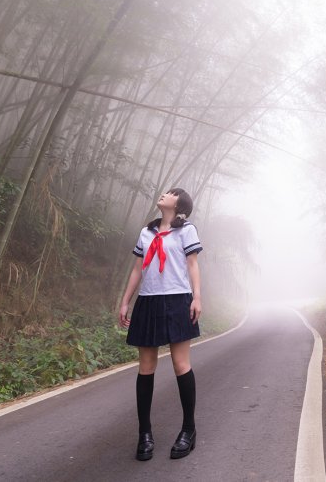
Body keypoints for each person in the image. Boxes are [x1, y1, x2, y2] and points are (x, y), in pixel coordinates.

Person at [119, 187, 203, 462]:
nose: (164, 194)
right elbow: (137, 269)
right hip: (149, 301)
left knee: (181, 365)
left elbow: (192, 265)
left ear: (180, 205)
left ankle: (188, 430)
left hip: (178, 299)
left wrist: (197, 298)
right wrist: (125, 301)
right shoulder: (147, 232)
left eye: (171, 193)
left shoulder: (187, 230)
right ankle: (144, 433)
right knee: (146, 367)